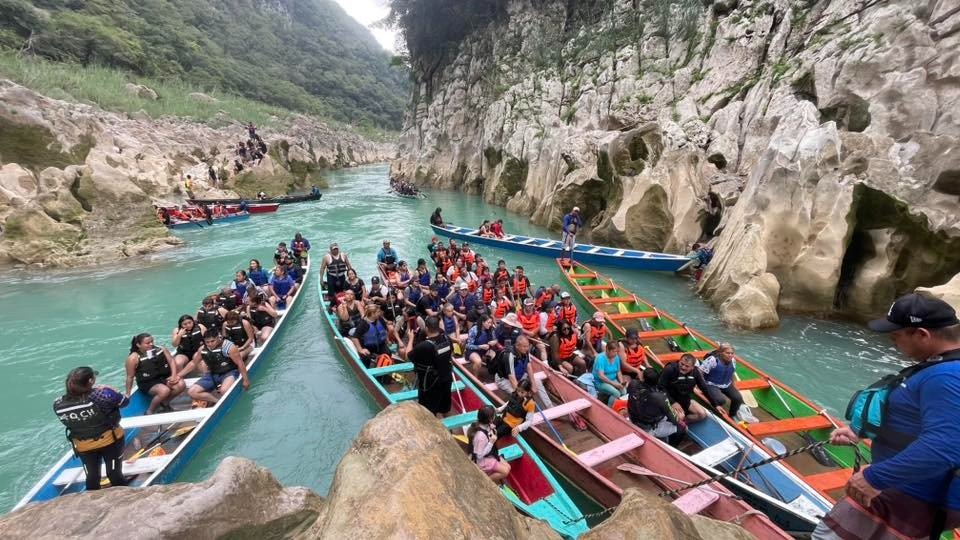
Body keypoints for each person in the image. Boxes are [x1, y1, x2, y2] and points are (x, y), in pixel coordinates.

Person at [814, 293, 960, 540]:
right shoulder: (942, 366)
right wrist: (862, 432)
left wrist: (875, 478)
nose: (893, 344)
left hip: (907, 493)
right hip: (912, 489)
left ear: (922, 334)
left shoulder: (945, 377)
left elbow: (944, 445)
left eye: (895, 337)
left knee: (826, 537)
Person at [53, 367, 129, 491]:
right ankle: (125, 496)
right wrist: (112, 389)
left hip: (83, 446)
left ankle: (91, 498)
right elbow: (125, 402)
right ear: (90, 381)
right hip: (110, 441)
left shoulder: (58, 403)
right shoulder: (103, 394)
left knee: (92, 477)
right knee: (114, 474)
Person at [124, 333, 185, 414]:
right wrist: (128, 393)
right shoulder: (133, 358)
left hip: (163, 378)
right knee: (164, 390)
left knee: (181, 384)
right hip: (148, 382)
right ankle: (150, 411)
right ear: (138, 345)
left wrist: (174, 376)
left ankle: (165, 403)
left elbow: (171, 361)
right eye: (147, 343)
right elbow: (130, 377)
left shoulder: (161, 349)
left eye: (152, 341)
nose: (151, 344)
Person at [186, 330, 250, 405]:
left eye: (212, 341)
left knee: (224, 390)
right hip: (212, 373)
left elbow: (240, 363)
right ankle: (218, 402)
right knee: (192, 392)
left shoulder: (229, 347)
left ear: (218, 338)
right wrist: (179, 375)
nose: (210, 344)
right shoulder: (202, 349)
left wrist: (246, 380)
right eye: (207, 342)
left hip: (229, 372)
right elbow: (193, 363)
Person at [406, 316, 453, 418]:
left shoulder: (424, 346)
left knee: (428, 413)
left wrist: (411, 339)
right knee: (446, 408)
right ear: (438, 327)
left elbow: (408, 356)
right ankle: (449, 426)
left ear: (426, 328)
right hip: (446, 379)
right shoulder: (447, 339)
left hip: (430, 385)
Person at [492, 335, 554, 408]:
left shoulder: (525, 351)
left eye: (527, 346)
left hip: (520, 376)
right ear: (517, 346)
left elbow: (528, 366)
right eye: (524, 346)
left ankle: (550, 406)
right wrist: (521, 393)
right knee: (518, 396)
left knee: (537, 382)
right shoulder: (509, 355)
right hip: (505, 379)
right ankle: (521, 412)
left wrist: (533, 385)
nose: (526, 348)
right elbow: (511, 377)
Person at [628, 367, 685, 445]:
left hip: (634, 417)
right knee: (682, 428)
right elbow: (674, 419)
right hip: (647, 427)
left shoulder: (633, 383)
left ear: (643, 378)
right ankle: (671, 447)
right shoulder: (659, 397)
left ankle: (663, 438)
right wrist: (680, 420)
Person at [698, 342, 743, 419]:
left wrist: (733, 385)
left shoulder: (733, 360)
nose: (730, 355)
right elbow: (700, 372)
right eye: (727, 353)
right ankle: (716, 409)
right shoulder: (712, 360)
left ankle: (731, 415)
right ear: (721, 353)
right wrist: (701, 386)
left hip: (726, 384)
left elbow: (731, 373)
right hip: (711, 384)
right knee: (721, 400)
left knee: (738, 398)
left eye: (732, 353)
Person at [469, 405, 511, 483]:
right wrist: (491, 443)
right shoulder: (480, 436)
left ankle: (489, 474)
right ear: (490, 419)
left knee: (508, 467)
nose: (496, 416)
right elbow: (479, 456)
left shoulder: (486, 425)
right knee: (505, 471)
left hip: (490, 454)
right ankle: (484, 481)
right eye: (494, 415)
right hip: (482, 461)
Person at [349, 304, 393, 368]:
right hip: (367, 347)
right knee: (365, 357)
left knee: (388, 353)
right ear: (372, 314)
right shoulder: (363, 324)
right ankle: (366, 369)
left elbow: (384, 330)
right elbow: (354, 338)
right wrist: (360, 350)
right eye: (378, 312)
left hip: (380, 345)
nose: (380, 313)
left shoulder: (380, 319)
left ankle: (383, 367)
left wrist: (387, 340)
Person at [593, 341, 627, 406]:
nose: (616, 354)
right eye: (614, 352)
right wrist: (614, 384)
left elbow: (618, 371)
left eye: (617, 351)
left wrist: (621, 382)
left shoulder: (616, 357)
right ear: (607, 350)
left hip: (613, 380)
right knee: (616, 393)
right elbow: (601, 376)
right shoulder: (600, 358)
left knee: (624, 391)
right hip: (600, 382)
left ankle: (619, 406)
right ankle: (609, 408)